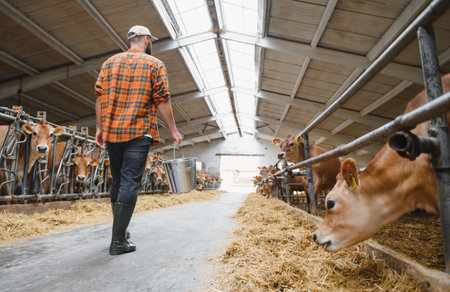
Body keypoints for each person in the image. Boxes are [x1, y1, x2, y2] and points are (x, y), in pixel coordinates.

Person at [95, 25, 183, 255]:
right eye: (150, 40)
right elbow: (162, 100)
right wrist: (173, 130)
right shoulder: (155, 64)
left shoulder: (109, 63)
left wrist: (99, 127)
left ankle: (120, 233)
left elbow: (100, 98)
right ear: (145, 39)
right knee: (129, 183)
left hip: (113, 132)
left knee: (117, 182)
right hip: (138, 132)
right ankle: (117, 241)